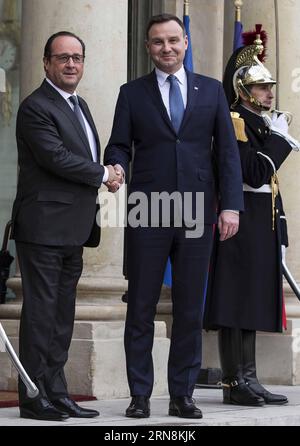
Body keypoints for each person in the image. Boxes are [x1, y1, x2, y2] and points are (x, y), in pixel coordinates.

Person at [104, 14, 244, 419]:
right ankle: (140, 396)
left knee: (188, 308)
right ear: (148, 48)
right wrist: (114, 166)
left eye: (172, 41)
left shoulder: (212, 91)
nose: (166, 49)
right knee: (141, 306)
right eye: (157, 43)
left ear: (185, 42)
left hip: (198, 212)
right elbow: (119, 145)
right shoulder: (132, 93)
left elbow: (227, 155)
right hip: (147, 210)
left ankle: (183, 394)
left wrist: (230, 205)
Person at [10, 31, 121, 421]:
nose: (71, 64)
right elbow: (56, 158)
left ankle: (57, 391)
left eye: (77, 58)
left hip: (74, 228)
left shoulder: (80, 105)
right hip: (42, 227)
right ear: (46, 63)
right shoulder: (35, 107)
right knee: (41, 313)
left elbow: (80, 154)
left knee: (62, 314)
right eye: (62, 58)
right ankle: (34, 395)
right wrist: (102, 172)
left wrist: (108, 170)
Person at [204, 26, 299, 406]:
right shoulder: (235, 120)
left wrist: (282, 228)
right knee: (235, 302)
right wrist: (280, 141)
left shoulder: (260, 121)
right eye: (262, 88)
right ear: (244, 90)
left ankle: (249, 377)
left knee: (253, 302)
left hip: (262, 220)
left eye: (270, 87)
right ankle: (233, 383)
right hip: (239, 219)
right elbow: (255, 172)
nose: (269, 93)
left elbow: (271, 186)